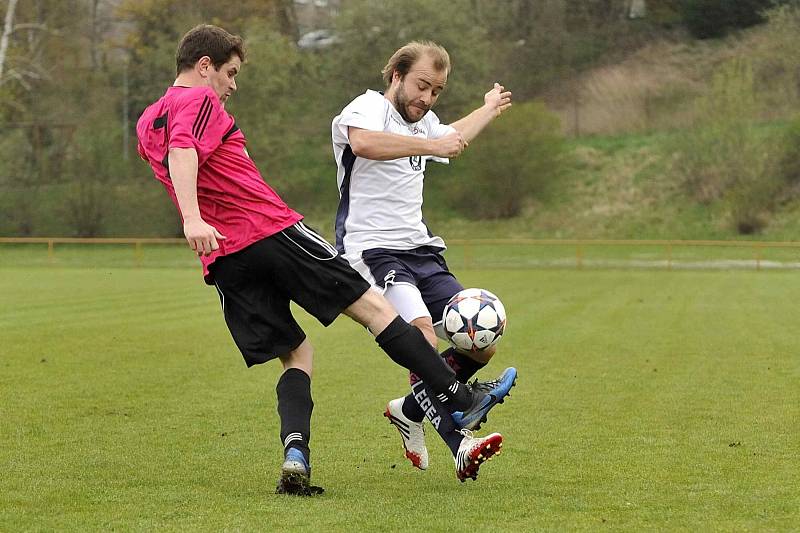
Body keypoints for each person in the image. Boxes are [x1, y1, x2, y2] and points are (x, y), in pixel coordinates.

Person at [136, 25, 513, 495]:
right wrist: (190, 218)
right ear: (205, 66)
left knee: (297, 353)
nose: (233, 85)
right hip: (270, 230)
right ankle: (457, 398)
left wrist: (487, 109)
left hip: (226, 257)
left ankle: (296, 458)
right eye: (229, 73)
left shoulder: (149, 119)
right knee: (377, 311)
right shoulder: (199, 101)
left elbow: (180, 154)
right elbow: (183, 151)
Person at [331, 41, 516, 477]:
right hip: (372, 249)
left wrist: (488, 107)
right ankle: (460, 445)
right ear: (396, 75)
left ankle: (410, 411)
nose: (427, 98)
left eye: (436, 91)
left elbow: (451, 138)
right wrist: (430, 146)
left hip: (422, 249)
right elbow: (364, 144)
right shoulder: (369, 108)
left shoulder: (425, 123)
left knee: (479, 341)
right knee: (422, 340)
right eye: (421, 86)